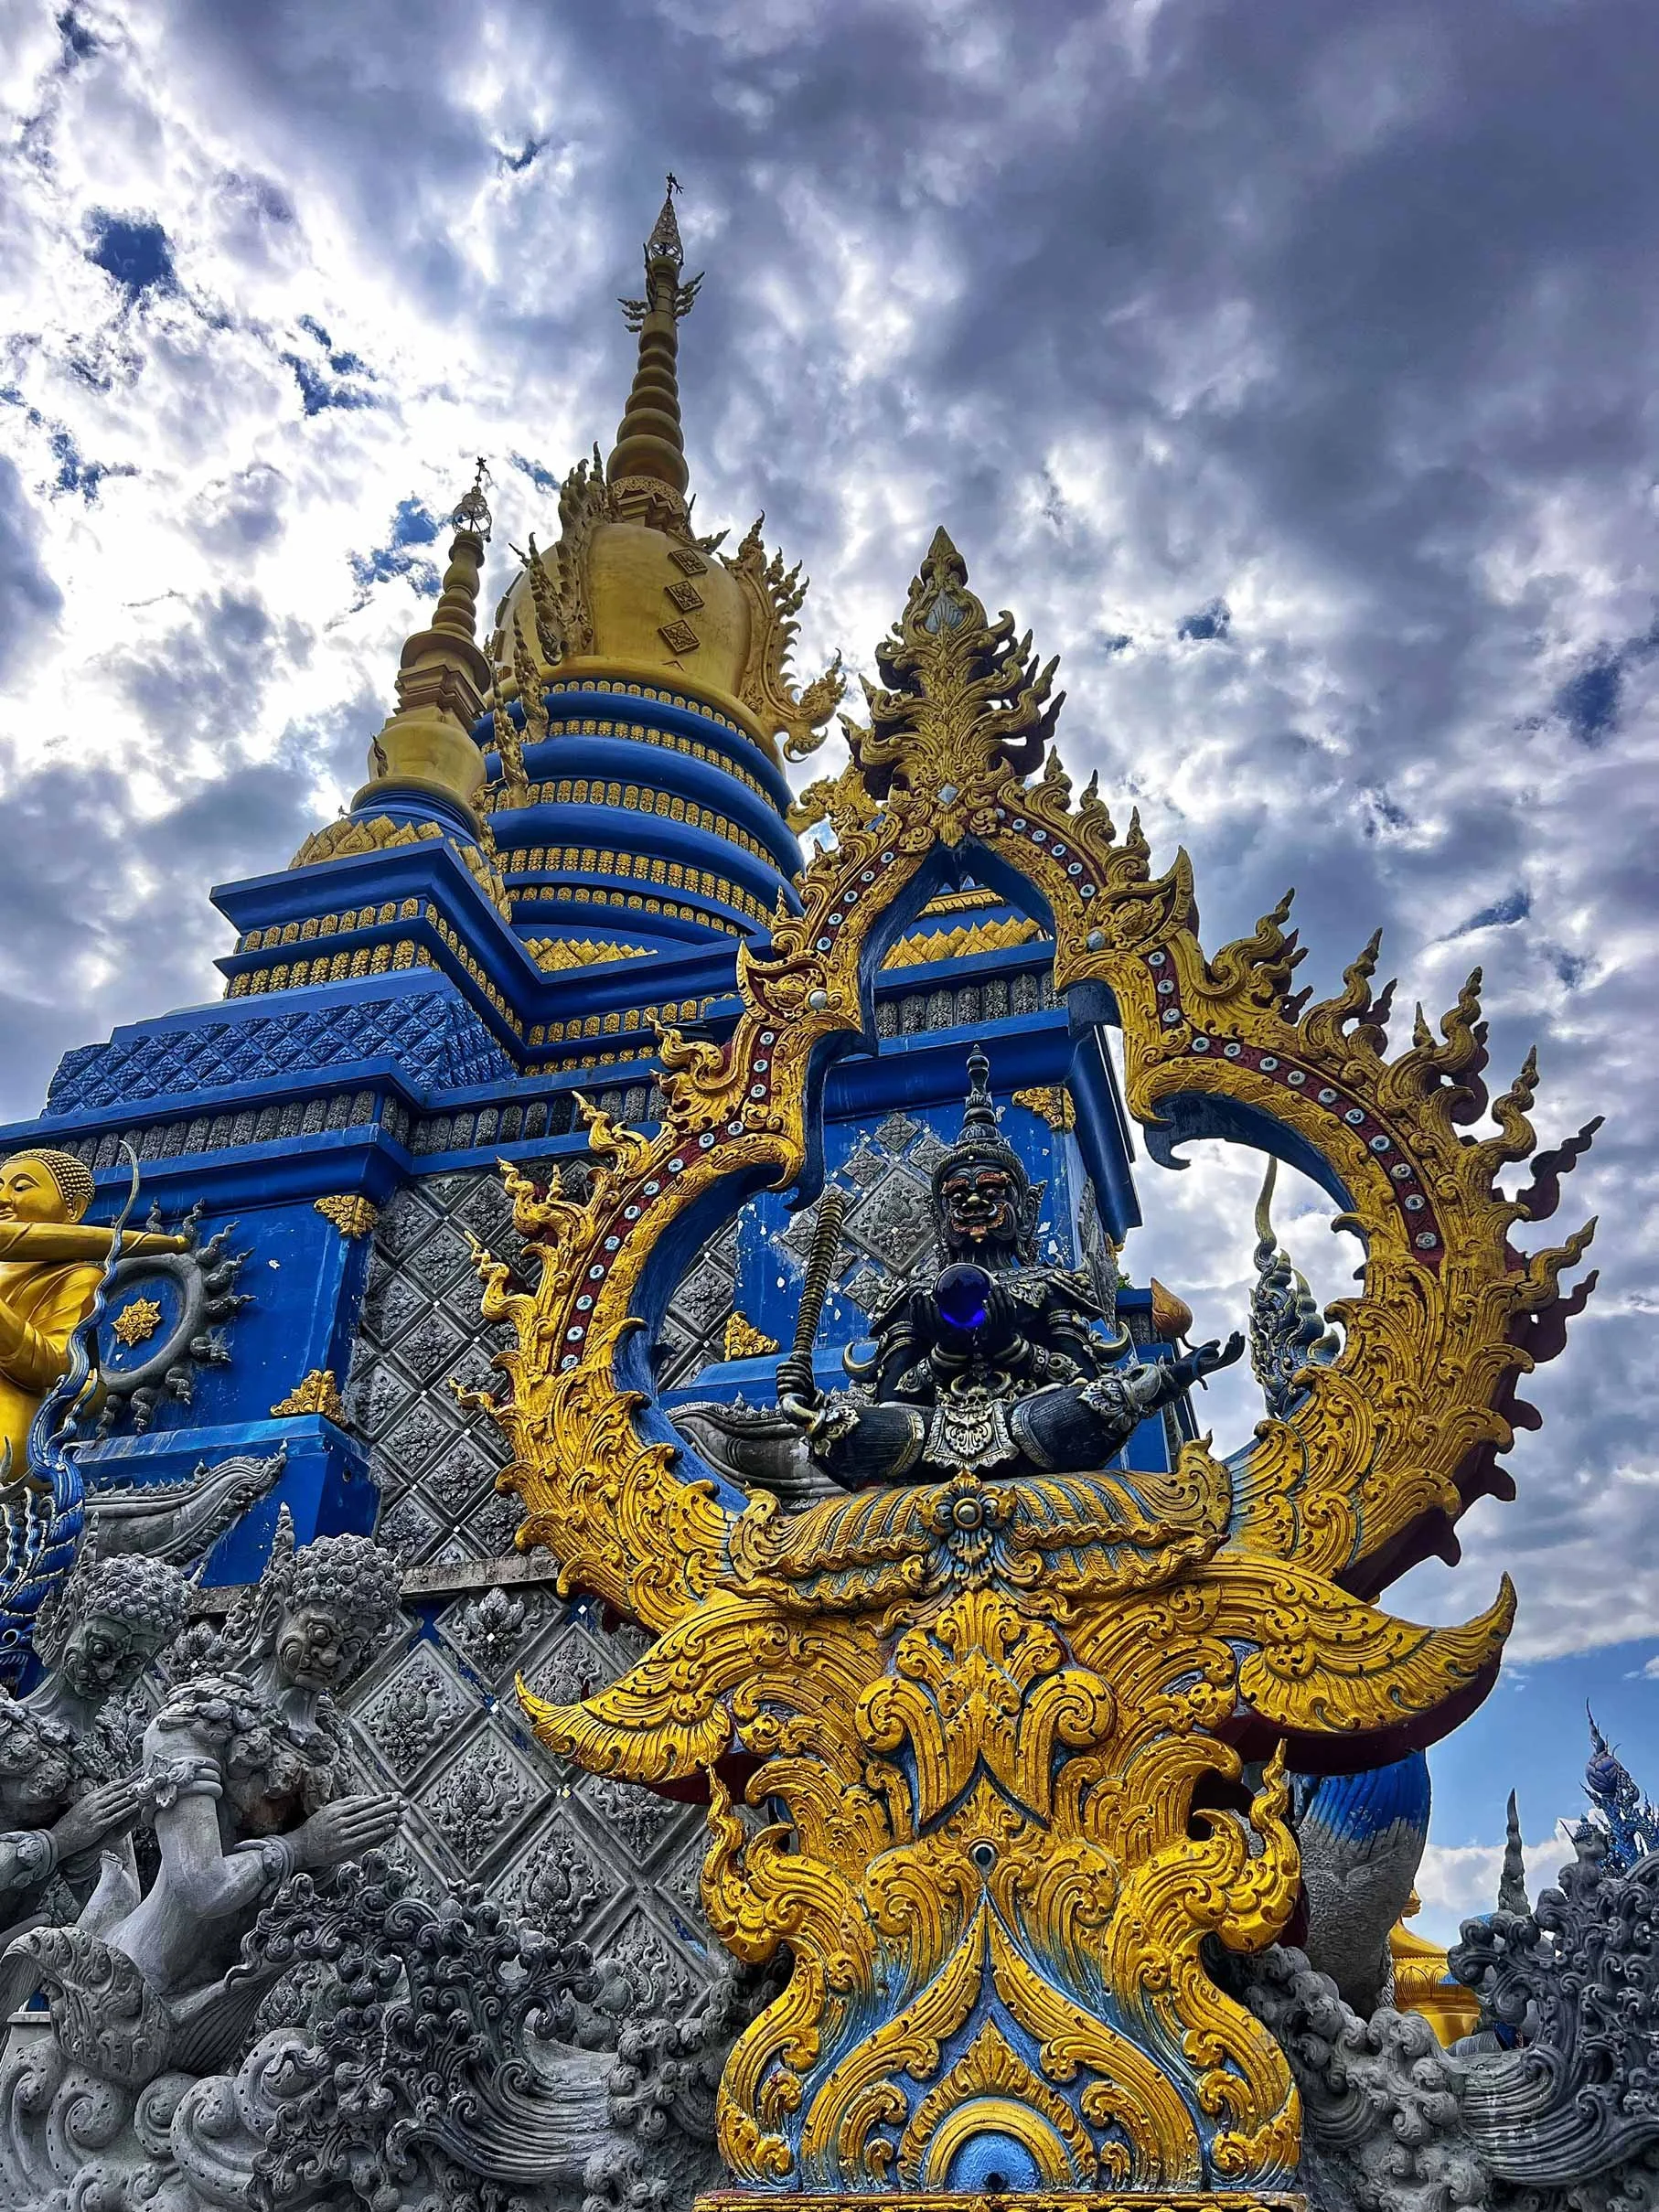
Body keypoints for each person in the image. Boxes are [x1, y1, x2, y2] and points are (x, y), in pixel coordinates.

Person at [776, 1049, 1242, 1488]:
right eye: (958, 1197)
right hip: (925, 1432)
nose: (974, 1202)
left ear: (1026, 1208)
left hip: (1032, 1422)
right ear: (939, 1216)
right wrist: (947, 1356)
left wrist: (1014, 1347)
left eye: (993, 1192)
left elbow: (1079, 1377)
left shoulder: (1050, 1287)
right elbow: (894, 1396)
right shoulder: (915, 1298)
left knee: (1098, 1402)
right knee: (840, 1426)